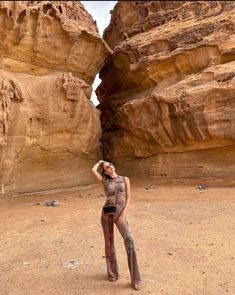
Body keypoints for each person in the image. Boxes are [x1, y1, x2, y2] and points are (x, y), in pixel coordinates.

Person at [91, 160, 141, 291]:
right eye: (107, 167)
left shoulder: (125, 179)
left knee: (129, 240)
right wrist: (100, 162)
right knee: (109, 243)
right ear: (105, 171)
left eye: (110, 164)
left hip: (120, 213)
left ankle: (136, 279)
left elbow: (128, 197)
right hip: (106, 214)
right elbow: (93, 171)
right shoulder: (105, 181)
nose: (110, 167)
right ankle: (112, 273)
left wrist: (123, 214)